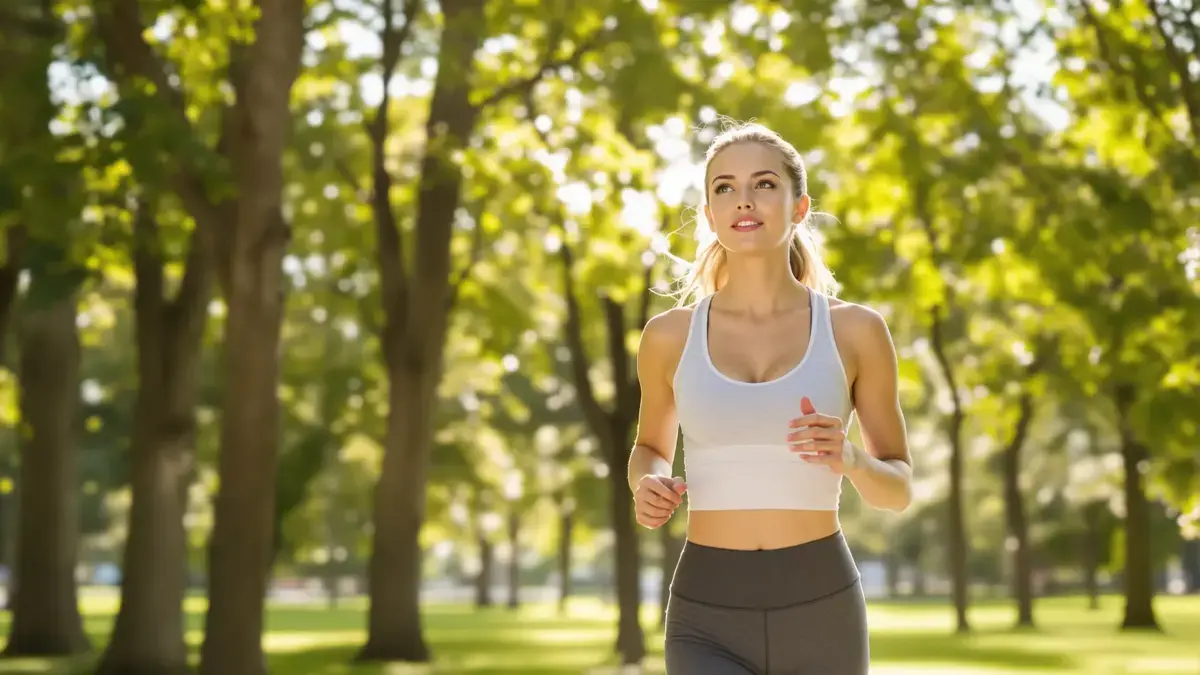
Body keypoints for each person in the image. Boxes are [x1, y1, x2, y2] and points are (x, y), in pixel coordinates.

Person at [629, 120, 914, 674]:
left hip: (821, 607)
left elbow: (898, 489)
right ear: (710, 216)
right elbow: (649, 448)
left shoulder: (855, 331)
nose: (743, 200)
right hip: (705, 611)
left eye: (763, 184)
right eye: (724, 188)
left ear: (799, 205)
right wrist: (647, 483)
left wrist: (851, 459)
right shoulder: (669, 336)